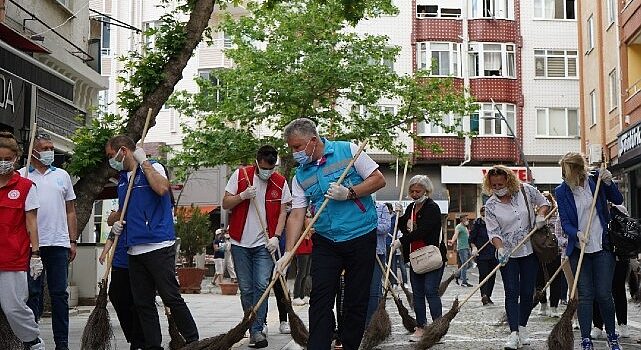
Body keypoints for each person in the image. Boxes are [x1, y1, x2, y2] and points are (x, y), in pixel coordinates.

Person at [277, 118, 385, 350]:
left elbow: (378, 180)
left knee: (356, 300)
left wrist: (350, 192)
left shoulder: (349, 150)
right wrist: (288, 253)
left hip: (360, 234)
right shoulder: (300, 176)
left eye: (296, 147)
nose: (294, 153)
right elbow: (297, 214)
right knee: (320, 298)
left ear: (312, 140)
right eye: (291, 148)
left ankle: (349, 345)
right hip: (326, 240)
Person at [105, 135, 199, 349]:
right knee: (143, 303)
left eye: (112, 155)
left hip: (157, 244)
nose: (111, 160)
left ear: (123, 151)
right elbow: (127, 209)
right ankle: (152, 345)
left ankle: (193, 339)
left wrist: (144, 162)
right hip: (133, 248)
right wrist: (117, 223)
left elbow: (162, 189)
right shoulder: (122, 178)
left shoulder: (153, 167)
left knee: (171, 297)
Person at [222, 145, 291, 348]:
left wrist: (277, 237)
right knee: (246, 288)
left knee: (262, 286)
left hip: (264, 243)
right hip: (239, 242)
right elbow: (226, 203)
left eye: (271, 169)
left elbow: (282, 212)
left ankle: (257, 330)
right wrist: (242, 196)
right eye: (264, 168)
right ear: (257, 161)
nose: (267, 172)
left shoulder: (280, 182)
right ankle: (251, 324)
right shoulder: (241, 175)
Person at [555, 152, 624, 350]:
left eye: (569, 173)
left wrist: (609, 183)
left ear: (579, 170)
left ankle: (612, 335)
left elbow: (617, 199)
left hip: (602, 245)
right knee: (585, 295)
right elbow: (566, 222)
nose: (566, 178)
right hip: (579, 249)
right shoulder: (562, 191)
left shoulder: (596, 181)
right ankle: (586, 339)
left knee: (603, 294)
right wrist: (576, 234)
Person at [21, 132, 77, 350]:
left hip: (58, 242)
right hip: (31, 244)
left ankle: (62, 343)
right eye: (44, 148)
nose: (49, 152)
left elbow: (70, 211)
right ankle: (32, 340)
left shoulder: (62, 175)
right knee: (32, 293)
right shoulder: (22, 175)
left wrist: (72, 240)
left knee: (60, 294)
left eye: (51, 148)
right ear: (33, 151)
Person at [484, 165, 549, 350]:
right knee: (511, 291)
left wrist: (540, 215)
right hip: (508, 254)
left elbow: (544, 202)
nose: (497, 188)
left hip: (530, 250)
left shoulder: (525, 191)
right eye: (494, 185)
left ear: (509, 181)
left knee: (527, 292)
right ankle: (513, 333)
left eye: (500, 184)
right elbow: (493, 232)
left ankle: (522, 326)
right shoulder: (490, 206)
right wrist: (500, 249)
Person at [0, 132, 44, 349]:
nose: (3, 163)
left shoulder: (26, 187)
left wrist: (35, 254)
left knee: (14, 307)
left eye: (7, 159)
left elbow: (31, 222)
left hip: (13, 257)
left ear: (16, 158)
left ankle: (32, 340)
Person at [392, 175, 447, 342]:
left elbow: (422, 231)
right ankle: (421, 326)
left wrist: (401, 241)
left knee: (430, 291)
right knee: (417, 294)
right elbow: (404, 228)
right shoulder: (411, 208)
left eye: (418, 191)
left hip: (432, 255)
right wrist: (399, 216)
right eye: (412, 191)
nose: (415, 194)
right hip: (415, 257)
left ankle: (438, 327)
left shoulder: (432, 208)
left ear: (427, 191)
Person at [98, 211, 145, 349]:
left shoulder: (138, 217)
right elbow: (111, 230)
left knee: (135, 301)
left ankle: (138, 339)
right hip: (118, 263)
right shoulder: (122, 211)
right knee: (115, 295)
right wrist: (104, 252)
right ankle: (132, 335)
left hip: (135, 263)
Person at [366, 200, 391, 324]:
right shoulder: (355, 207)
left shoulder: (382, 208)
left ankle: (372, 323)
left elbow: (386, 228)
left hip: (377, 252)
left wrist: (369, 225)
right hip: (359, 253)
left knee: (374, 289)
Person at [469, 206, 498, 305]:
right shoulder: (477, 224)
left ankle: (488, 295)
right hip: (482, 255)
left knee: (492, 276)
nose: (486, 215)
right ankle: (484, 295)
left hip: (493, 254)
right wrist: (474, 248)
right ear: (481, 213)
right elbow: (471, 239)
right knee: (484, 274)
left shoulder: (494, 223)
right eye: (484, 213)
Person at [293, 212, 313, 305]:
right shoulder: (299, 223)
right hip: (302, 251)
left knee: (307, 274)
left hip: (309, 249)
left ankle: (304, 294)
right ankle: (296, 295)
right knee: (301, 273)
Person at [449, 214, 472, 287]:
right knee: (465, 264)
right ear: (462, 219)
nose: (467, 220)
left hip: (467, 248)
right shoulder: (459, 226)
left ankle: (457, 275)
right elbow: (456, 234)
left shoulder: (465, 228)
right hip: (462, 248)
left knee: (470, 264)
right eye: (466, 219)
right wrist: (452, 241)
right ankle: (464, 282)